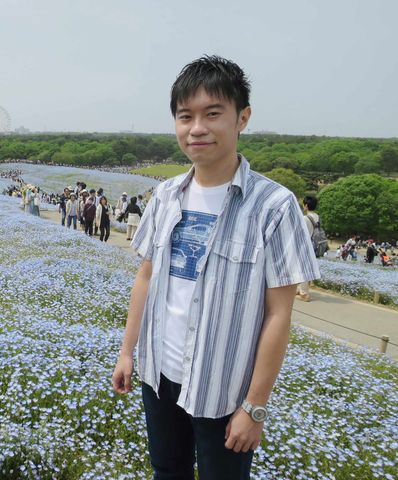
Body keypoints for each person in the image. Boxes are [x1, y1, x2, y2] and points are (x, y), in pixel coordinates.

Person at [112, 55, 320, 480]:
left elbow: (279, 314)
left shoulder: (275, 206)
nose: (197, 128)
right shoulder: (166, 195)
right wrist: (127, 352)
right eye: (185, 116)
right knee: (166, 471)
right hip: (158, 374)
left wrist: (254, 407)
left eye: (212, 114)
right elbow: (146, 278)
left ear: (242, 118)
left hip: (223, 390)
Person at [296, 195, 319, 302]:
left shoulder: (305, 218)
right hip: (314, 245)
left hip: (305, 245)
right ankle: (301, 290)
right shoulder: (317, 217)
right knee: (304, 268)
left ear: (306, 206)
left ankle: (304, 294)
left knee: (303, 269)